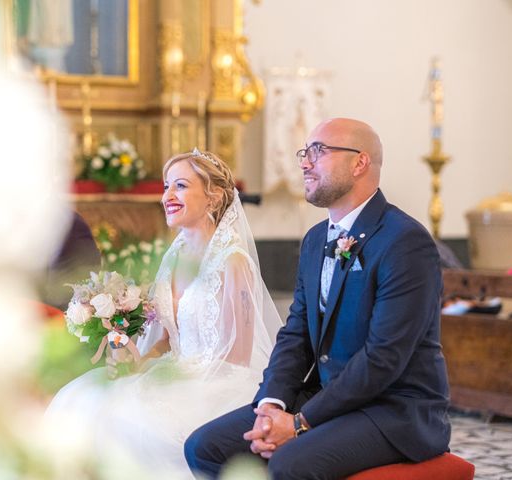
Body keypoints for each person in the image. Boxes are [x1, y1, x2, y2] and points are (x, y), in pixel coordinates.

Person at [185, 118, 451, 479]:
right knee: (205, 447)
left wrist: (298, 423)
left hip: (395, 409)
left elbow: (384, 358)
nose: (305, 163)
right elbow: (296, 335)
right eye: (304, 153)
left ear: (360, 163)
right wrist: (270, 404)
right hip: (326, 395)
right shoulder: (314, 240)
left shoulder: (404, 242)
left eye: (318, 151)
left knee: (289, 464)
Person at [45, 149, 282, 476]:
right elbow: (169, 338)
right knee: (78, 400)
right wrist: (140, 362)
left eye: (181, 186)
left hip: (220, 382)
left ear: (213, 197)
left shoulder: (233, 261)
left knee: (129, 421)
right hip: (173, 368)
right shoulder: (175, 255)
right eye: (166, 186)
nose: (168, 195)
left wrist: (175, 381)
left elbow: (238, 357)